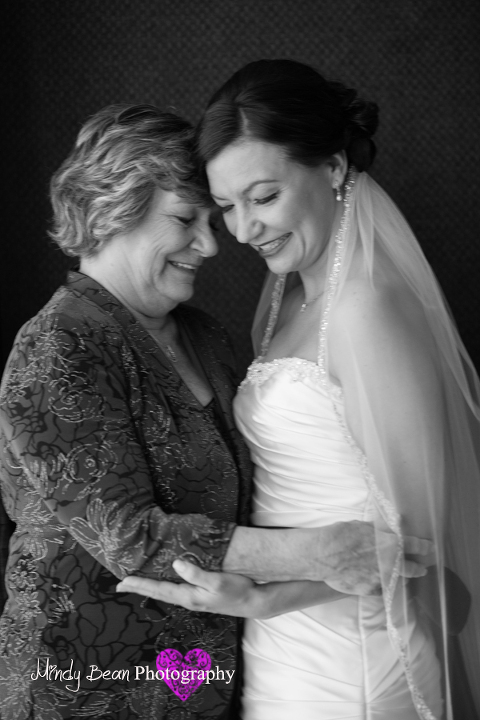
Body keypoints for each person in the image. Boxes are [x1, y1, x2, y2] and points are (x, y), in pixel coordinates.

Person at [0, 103, 427, 720]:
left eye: (212, 219)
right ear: (110, 209)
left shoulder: (205, 336)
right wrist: (319, 555)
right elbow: (127, 534)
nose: (210, 244)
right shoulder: (58, 345)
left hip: (211, 682)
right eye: (184, 219)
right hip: (86, 686)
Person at [118, 61, 480, 720]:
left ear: (334, 168)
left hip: (354, 660)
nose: (242, 231)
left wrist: (268, 597)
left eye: (263, 197)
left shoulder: (366, 310)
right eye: (228, 207)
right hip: (282, 644)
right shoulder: (289, 297)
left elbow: (425, 547)